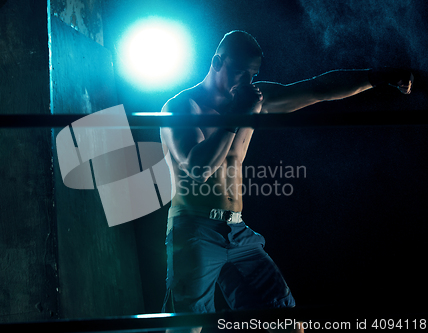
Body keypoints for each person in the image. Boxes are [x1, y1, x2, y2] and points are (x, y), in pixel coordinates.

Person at [159, 30, 413, 333]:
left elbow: (317, 88)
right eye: (240, 73)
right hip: (194, 229)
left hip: (238, 232)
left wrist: (376, 76)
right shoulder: (183, 107)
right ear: (217, 61)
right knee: (188, 327)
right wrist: (240, 115)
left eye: (252, 76)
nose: (246, 84)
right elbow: (197, 169)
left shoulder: (252, 98)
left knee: (286, 322)